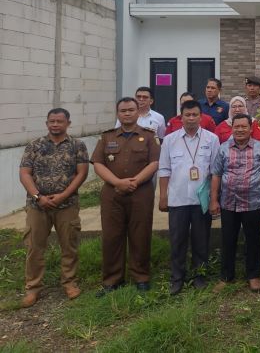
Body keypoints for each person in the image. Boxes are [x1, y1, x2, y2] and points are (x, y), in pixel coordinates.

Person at [18, 108, 89, 307]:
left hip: (66, 205)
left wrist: (63, 195)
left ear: (68, 123)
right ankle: (33, 287)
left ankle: (69, 283)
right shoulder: (34, 145)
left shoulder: (77, 145)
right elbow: (25, 173)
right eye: (51, 121)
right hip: (37, 206)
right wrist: (37, 196)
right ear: (46, 123)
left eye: (59, 121)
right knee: (34, 246)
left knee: (69, 244)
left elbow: (82, 173)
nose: (55, 125)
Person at [92, 98, 160, 296]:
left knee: (140, 234)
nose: (127, 113)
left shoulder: (148, 136)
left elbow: (154, 163)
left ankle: (141, 277)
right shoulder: (107, 137)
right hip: (112, 194)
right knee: (112, 236)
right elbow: (98, 164)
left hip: (141, 193)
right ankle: (112, 279)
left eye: (131, 110)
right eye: (123, 111)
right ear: (117, 113)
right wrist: (117, 182)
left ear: (138, 112)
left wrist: (134, 182)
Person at [158, 99, 220, 295]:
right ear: (181, 117)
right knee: (177, 241)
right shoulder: (170, 140)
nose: (191, 118)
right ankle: (177, 278)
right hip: (177, 199)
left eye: (195, 115)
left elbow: (215, 171)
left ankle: (199, 275)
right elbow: (164, 169)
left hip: (201, 200)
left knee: (201, 240)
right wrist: (163, 196)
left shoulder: (211, 139)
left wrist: (213, 199)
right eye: (188, 115)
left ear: (201, 117)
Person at [211, 114, 260, 292]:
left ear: (250, 128)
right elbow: (216, 174)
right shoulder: (223, 149)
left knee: (253, 240)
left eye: (243, 126)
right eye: (236, 126)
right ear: (232, 128)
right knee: (228, 240)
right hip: (228, 203)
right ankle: (226, 277)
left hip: (253, 202)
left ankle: (254, 276)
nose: (239, 130)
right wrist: (214, 199)